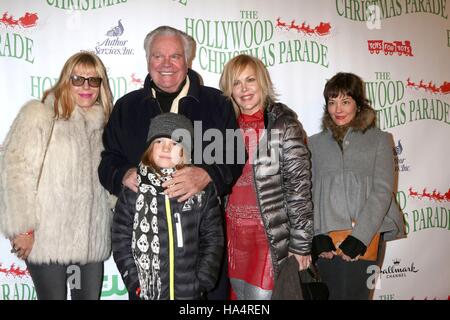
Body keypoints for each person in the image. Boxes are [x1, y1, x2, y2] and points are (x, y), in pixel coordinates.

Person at [98, 26, 243, 299]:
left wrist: (207, 175)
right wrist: (122, 175)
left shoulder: (215, 103)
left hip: (199, 252)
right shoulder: (127, 107)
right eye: (157, 56)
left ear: (187, 60)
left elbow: (234, 157)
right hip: (148, 263)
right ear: (147, 60)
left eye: (175, 56)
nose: (166, 64)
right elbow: (107, 161)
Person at [0, 51, 114, 300]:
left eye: (94, 80)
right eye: (77, 79)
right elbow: (16, 171)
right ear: (65, 80)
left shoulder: (104, 126)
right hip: (46, 239)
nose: (86, 86)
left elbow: (108, 183)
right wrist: (22, 229)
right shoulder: (39, 115)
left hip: (89, 241)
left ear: (101, 85)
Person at [219, 54, 313, 300]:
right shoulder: (226, 128)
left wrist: (301, 245)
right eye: (236, 83)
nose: (244, 89)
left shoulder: (285, 126)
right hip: (233, 237)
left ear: (262, 83)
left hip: (267, 239)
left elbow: (299, 189)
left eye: (250, 80)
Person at [308, 72, 405, 300]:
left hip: (367, 237)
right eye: (332, 102)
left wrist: (360, 237)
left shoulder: (380, 139)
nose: (338, 109)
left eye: (345, 101)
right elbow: (308, 194)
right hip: (327, 243)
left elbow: (382, 191)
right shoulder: (313, 143)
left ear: (358, 104)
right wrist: (317, 234)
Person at [112, 113, 224, 300]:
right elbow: (120, 240)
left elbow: (213, 238)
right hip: (147, 293)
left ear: (185, 151)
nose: (165, 148)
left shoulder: (201, 192)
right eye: (159, 141)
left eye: (174, 143)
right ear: (150, 148)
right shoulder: (133, 189)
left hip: (190, 293)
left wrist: (203, 280)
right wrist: (135, 282)